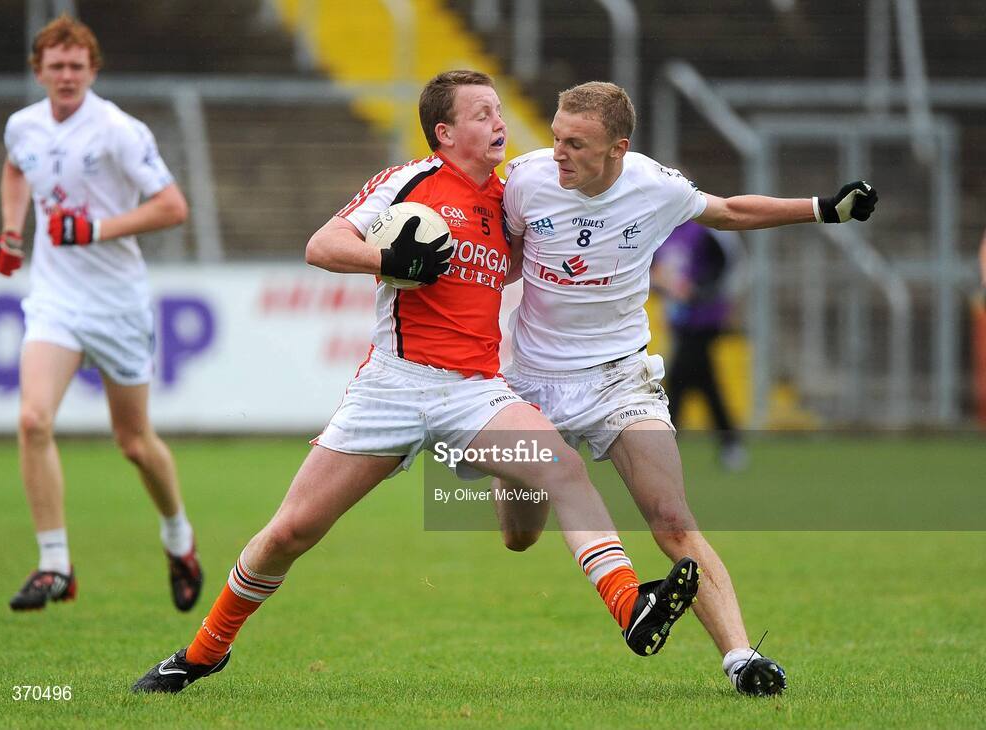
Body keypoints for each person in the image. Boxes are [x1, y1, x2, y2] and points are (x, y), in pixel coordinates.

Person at [132, 70, 700, 694]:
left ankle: (629, 606)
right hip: (393, 387)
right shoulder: (413, 182)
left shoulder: (509, 198)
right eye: (482, 114)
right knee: (291, 531)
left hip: (475, 391)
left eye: (499, 112)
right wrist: (388, 260)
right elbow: (322, 245)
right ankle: (205, 650)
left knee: (560, 465)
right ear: (445, 132)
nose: (499, 124)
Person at [497, 81, 878, 696]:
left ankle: (741, 659)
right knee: (519, 536)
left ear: (618, 148)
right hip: (531, 382)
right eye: (556, 137)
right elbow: (500, 252)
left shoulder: (655, 186)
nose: (558, 153)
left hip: (620, 378)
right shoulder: (523, 179)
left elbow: (729, 211)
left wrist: (821, 208)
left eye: (576, 143)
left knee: (672, 517)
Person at [0, 15, 202, 613]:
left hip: (117, 303)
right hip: (56, 300)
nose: (65, 76)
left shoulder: (118, 130)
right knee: (33, 420)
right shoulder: (23, 126)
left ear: (92, 70)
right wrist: (13, 231)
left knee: (134, 441)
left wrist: (95, 228)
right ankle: (55, 564)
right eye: (55, 66)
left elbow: (172, 206)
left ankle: (178, 538)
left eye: (76, 67)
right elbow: (16, 166)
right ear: (38, 71)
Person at [651, 220, 747, 470]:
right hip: (679, 318)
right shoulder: (662, 230)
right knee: (705, 381)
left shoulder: (705, 230)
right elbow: (657, 271)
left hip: (704, 318)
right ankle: (731, 443)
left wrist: (701, 290)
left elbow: (728, 263)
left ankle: (665, 444)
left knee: (679, 376)